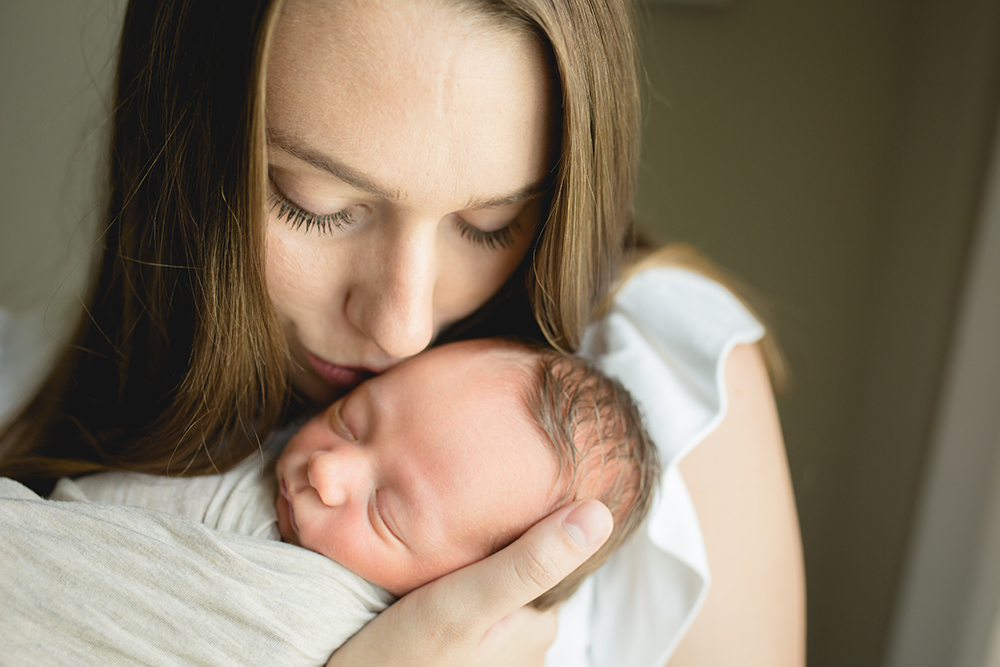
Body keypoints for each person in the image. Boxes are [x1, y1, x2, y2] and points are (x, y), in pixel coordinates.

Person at [0, 0, 805, 665]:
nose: (402, 326)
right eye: (313, 201)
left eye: (492, 224)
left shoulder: (673, 382)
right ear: (185, 147)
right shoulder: (20, 385)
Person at [50, 338, 659, 613]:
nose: (326, 469)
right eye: (350, 420)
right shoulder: (267, 430)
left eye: (385, 512)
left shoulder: (325, 614)